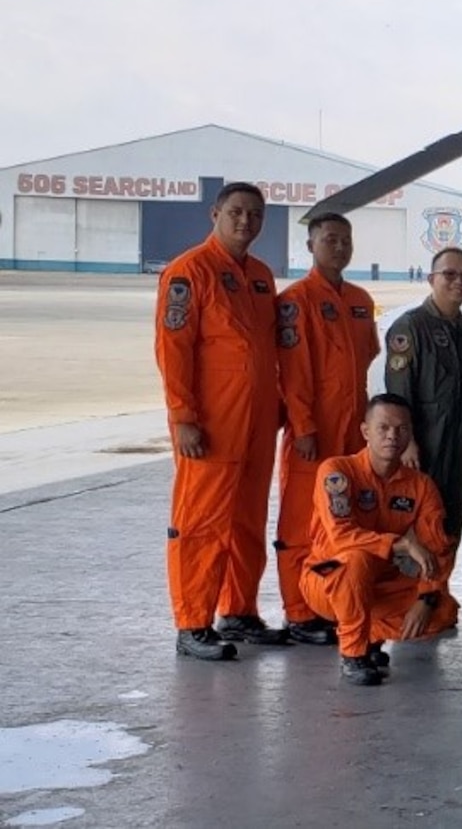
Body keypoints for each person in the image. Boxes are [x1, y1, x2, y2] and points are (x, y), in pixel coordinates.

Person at [156, 181, 287, 658]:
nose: (245, 221)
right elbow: (173, 350)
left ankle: (238, 612)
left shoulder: (261, 277)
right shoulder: (189, 272)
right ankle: (192, 623)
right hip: (211, 423)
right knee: (202, 522)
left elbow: (268, 349)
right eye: (236, 212)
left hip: (257, 423)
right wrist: (183, 417)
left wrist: (278, 403)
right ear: (215, 214)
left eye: (255, 214)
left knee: (248, 521)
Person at [301, 394, 459, 686]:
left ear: (410, 434)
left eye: (401, 429)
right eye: (383, 428)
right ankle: (354, 654)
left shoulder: (420, 486)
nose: (392, 436)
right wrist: (403, 544)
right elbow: (342, 535)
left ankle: (369, 634)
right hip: (329, 578)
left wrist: (426, 597)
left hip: (380, 582)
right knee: (356, 559)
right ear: (365, 431)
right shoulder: (337, 472)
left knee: (442, 611)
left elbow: (437, 547)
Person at [273, 212, 379, 646]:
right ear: (311, 246)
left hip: (352, 431)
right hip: (313, 432)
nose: (339, 247)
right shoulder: (295, 301)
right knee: (301, 522)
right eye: (330, 239)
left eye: (345, 240)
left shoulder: (359, 300)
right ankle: (299, 613)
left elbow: (367, 361)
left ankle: (330, 603)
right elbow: (292, 372)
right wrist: (303, 427)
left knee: (343, 518)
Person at [384, 247, 462, 547]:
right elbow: (397, 393)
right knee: (415, 518)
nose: (459, 282)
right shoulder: (410, 327)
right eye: (449, 274)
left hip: (454, 441)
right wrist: (407, 442)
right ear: (431, 279)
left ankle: (440, 577)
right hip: (420, 443)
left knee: (449, 517)